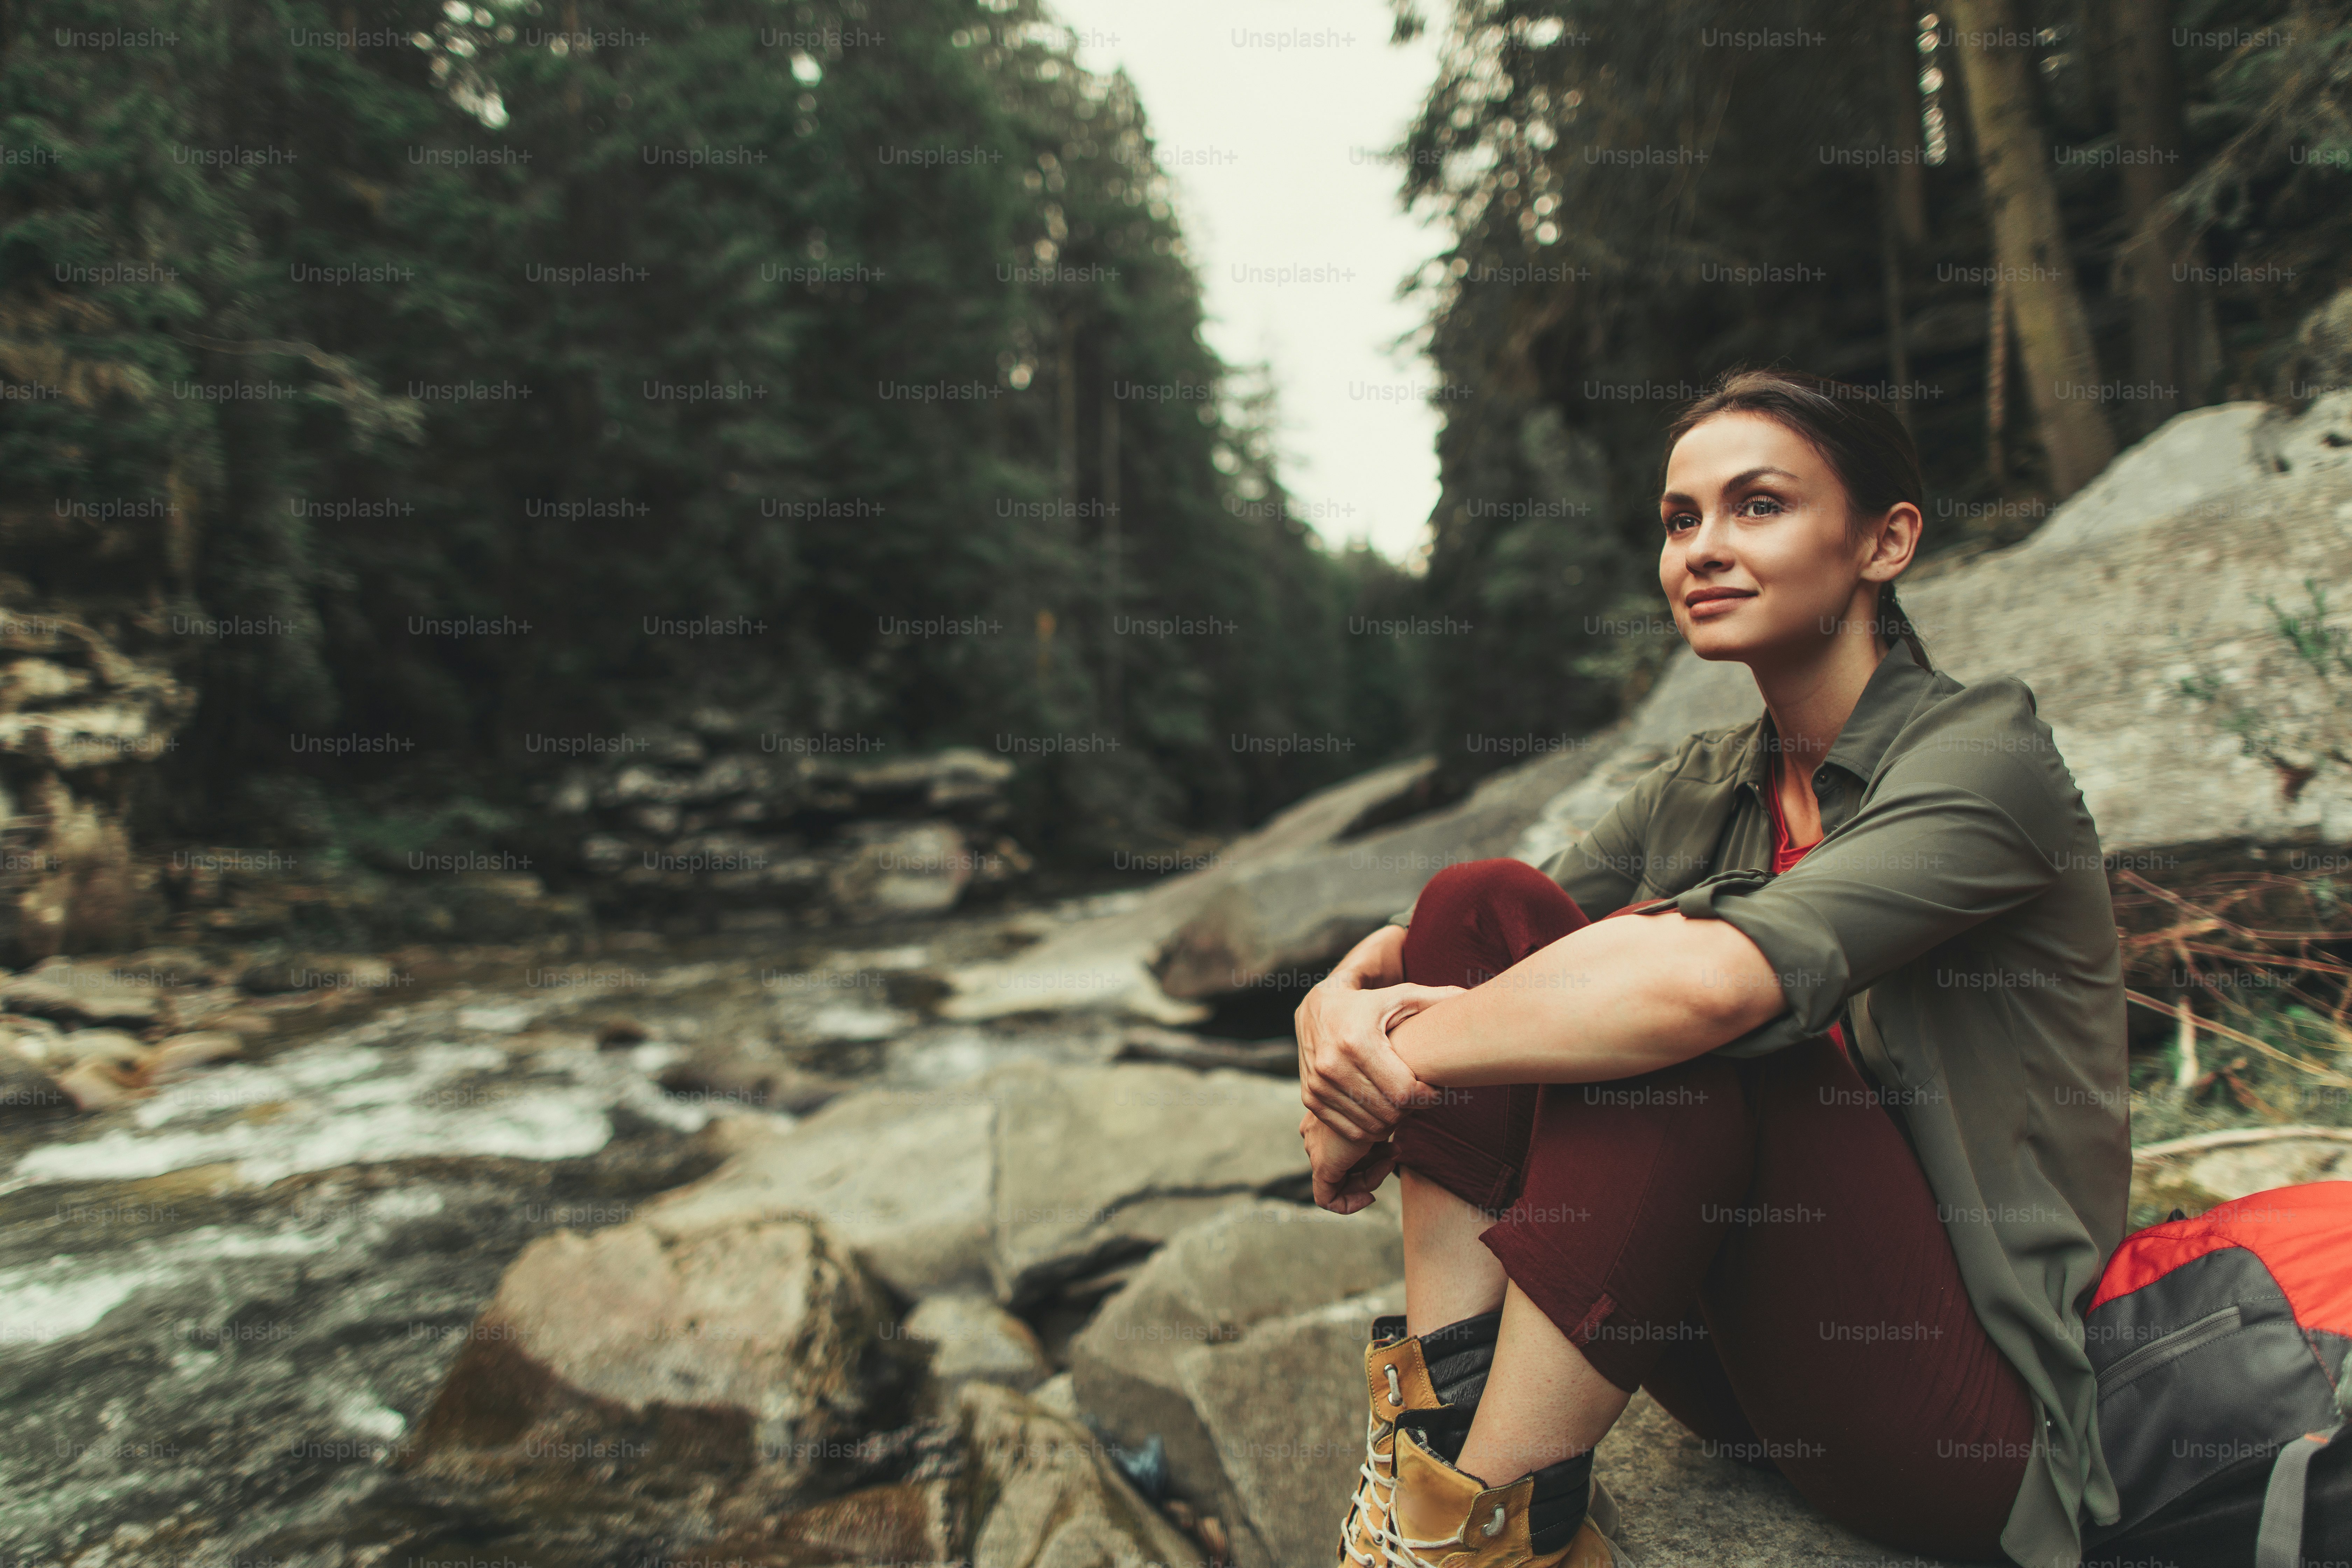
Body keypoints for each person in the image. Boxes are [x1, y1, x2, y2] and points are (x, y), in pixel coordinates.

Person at [1296, 368, 2131, 1568]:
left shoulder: (1986, 758)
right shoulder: (1702, 779)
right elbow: (1471, 945)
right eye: (1681, 520)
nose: (1703, 549)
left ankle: (1480, 1535)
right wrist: (1331, 1016)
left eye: (1758, 507)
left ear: (1885, 541)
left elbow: (1709, 991)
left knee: (1689, 1029)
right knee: (1479, 900)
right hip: (1749, 1358)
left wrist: (1383, 1067)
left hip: (1961, 1418)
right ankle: (1440, 1455)